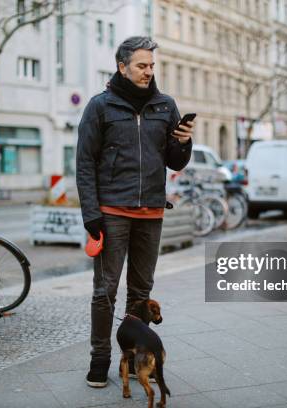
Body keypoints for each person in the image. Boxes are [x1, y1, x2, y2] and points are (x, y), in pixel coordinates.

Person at [76, 36, 194, 388]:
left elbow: (173, 160)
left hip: (151, 213)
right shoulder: (100, 107)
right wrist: (91, 214)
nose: (148, 72)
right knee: (105, 289)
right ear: (122, 66)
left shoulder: (164, 105)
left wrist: (184, 143)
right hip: (111, 211)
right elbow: (84, 163)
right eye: (142, 65)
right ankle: (100, 359)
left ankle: (136, 357)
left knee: (141, 292)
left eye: (151, 66)